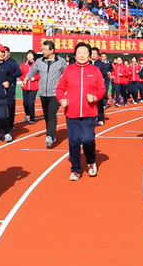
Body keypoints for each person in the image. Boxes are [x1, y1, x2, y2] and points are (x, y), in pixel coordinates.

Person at [56, 42, 106, 180]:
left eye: (85, 52)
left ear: (89, 55)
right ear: (75, 54)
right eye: (79, 52)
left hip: (89, 112)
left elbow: (102, 88)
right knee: (74, 141)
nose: (82, 55)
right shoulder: (69, 70)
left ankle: (90, 162)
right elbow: (60, 88)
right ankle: (76, 170)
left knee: (89, 140)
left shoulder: (95, 71)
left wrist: (95, 97)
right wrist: (61, 100)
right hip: (71, 113)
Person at [23, 40, 67, 148]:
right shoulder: (39, 61)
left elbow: (67, 74)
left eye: (45, 49)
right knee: (47, 115)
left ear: (52, 50)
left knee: (52, 114)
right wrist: (26, 78)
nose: (43, 51)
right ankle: (51, 133)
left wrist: (66, 87)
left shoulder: (60, 61)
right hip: (43, 93)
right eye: (42, 49)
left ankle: (49, 136)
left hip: (55, 93)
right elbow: (33, 71)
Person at [0, 46, 21, 128]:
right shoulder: (0, 62)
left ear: (8, 53)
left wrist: (10, 77)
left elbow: (19, 73)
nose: (3, 54)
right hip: (0, 87)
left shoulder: (12, 62)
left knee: (10, 106)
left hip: (10, 88)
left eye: (4, 52)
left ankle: (10, 124)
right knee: (1, 106)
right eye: (1, 52)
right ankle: (2, 124)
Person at [20, 50, 39, 124]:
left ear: (33, 56)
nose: (29, 56)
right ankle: (27, 114)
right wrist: (24, 79)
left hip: (34, 87)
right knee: (25, 103)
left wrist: (35, 78)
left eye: (31, 55)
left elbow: (40, 73)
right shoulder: (23, 64)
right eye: (28, 55)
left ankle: (32, 117)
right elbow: (20, 73)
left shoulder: (37, 64)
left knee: (31, 103)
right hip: (25, 86)